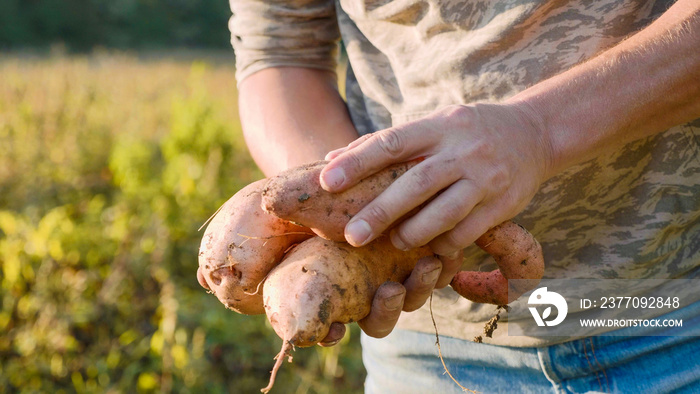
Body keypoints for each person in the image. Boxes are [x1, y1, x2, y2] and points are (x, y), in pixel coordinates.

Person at [230, 0, 700, 391]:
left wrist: (538, 132)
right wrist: (357, 219)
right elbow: (278, 49)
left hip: (674, 317)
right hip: (425, 359)